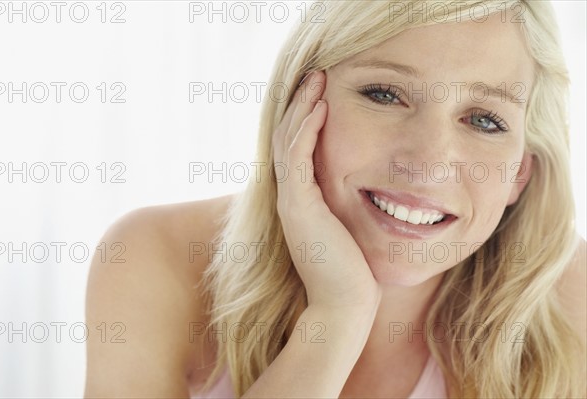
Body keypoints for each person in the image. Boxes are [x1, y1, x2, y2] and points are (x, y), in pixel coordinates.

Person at [84, 1, 586, 397]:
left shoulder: (571, 298)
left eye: (484, 120)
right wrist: (336, 318)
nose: (429, 163)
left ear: (521, 172)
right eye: (385, 94)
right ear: (300, 103)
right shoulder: (158, 258)